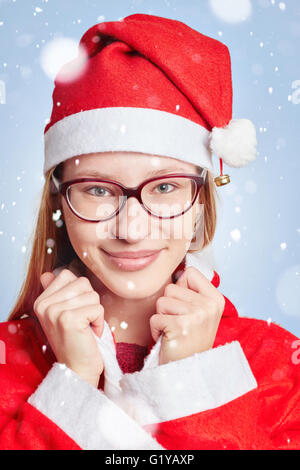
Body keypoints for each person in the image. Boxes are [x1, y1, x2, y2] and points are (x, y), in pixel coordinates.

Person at [0, 13, 299, 450]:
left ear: (201, 204)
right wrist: (73, 386)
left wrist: (191, 386)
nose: (132, 229)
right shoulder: (7, 365)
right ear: (59, 202)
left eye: (164, 187)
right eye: (98, 189)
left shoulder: (281, 367)